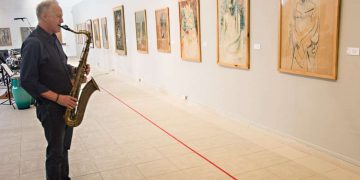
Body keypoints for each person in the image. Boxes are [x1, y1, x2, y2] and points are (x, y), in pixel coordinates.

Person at [20, 1, 90, 179]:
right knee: (55, 154)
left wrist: (76, 71)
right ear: (44, 16)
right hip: (51, 108)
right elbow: (28, 81)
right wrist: (58, 98)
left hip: (65, 104)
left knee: (63, 149)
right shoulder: (33, 43)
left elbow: (60, 66)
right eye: (58, 16)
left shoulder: (53, 39)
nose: (62, 19)